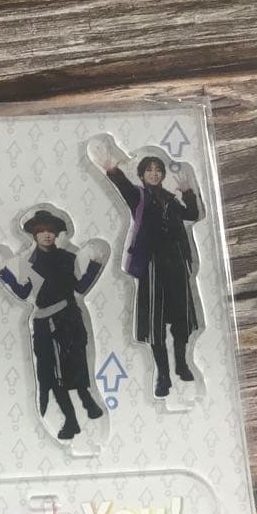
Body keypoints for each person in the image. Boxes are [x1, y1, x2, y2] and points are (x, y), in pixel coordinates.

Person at [98, 151, 202, 397]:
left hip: (177, 263)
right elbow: (124, 188)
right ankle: (163, 375)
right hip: (152, 265)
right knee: (155, 322)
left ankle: (182, 364)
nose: (154, 173)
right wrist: (112, 169)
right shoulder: (139, 196)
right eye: (149, 170)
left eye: (158, 170)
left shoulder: (171, 200)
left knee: (181, 318)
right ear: (142, 175)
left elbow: (193, 215)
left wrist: (188, 191)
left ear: (163, 175)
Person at [0, 210, 105, 440]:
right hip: (44, 322)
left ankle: (87, 400)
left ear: (56, 234)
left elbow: (80, 288)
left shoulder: (67, 258)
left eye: (50, 231)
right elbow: (23, 292)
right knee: (51, 374)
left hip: (69, 318)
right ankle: (71, 420)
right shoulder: (27, 262)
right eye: (41, 231)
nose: (46, 235)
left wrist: (95, 265)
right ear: (34, 235)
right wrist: (3, 272)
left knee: (76, 363)